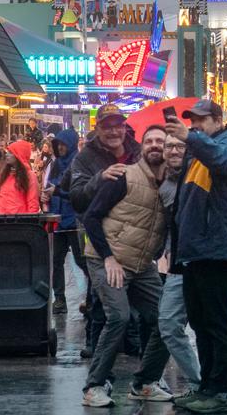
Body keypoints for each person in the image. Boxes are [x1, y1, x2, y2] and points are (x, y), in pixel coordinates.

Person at [164, 98, 227, 413]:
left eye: (201, 120)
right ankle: (206, 386)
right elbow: (185, 203)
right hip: (198, 251)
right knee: (200, 322)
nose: (195, 125)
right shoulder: (197, 150)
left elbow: (225, 162)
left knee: (217, 322)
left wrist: (191, 138)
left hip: (220, 248)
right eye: (192, 121)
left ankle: (222, 389)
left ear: (217, 119)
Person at [80, 127, 170, 408]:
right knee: (118, 317)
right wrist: (108, 257)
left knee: (168, 319)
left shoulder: (170, 184)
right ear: (142, 147)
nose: (155, 145)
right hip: (108, 259)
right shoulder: (125, 176)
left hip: (142, 264)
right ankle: (94, 386)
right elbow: (92, 216)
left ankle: (145, 382)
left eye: (161, 142)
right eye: (150, 141)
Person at [64, 104, 140, 359]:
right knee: (99, 294)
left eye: (118, 125)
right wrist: (100, 178)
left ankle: (132, 347)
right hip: (99, 234)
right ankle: (96, 347)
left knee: (137, 296)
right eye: (107, 126)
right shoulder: (85, 158)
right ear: (98, 129)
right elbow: (75, 197)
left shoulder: (137, 152)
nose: (114, 131)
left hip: (134, 235)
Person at [132, 132, 202, 401]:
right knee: (168, 325)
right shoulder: (161, 183)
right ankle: (199, 381)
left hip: (202, 263)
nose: (172, 150)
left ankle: (220, 386)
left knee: (207, 327)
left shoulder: (199, 175)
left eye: (178, 145)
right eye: (168, 146)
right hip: (175, 264)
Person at [44, 130, 85, 314]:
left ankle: (91, 297)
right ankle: (59, 299)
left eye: (63, 144)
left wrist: (58, 192)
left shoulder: (80, 163)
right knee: (56, 261)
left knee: (82, 261)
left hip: (75, 222)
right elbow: (49, 187)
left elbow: (82, 193)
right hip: (57, 221)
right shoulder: (54, 165)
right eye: (57, 144)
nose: (60, 147)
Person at [0, 140, 40, 216]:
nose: (7, 154)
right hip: (1, 221)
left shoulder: (30, 176)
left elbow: (32, 203)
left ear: (18, 155)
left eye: (10, 152)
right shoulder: (3, 174)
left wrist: (30, 223)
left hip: (19, 223)